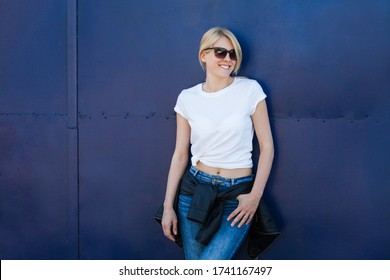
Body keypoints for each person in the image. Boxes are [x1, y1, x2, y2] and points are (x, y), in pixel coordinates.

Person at [161, 27, 274, 260]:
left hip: (237, 195)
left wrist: (255, 196)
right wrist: (167, 206)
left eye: (233, 54)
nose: (228, 60)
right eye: (221, 52)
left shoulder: (250, 90)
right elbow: (180, 154)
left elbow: (267, 147)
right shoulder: (187, 98)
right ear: (203, 55)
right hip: (194, 191)